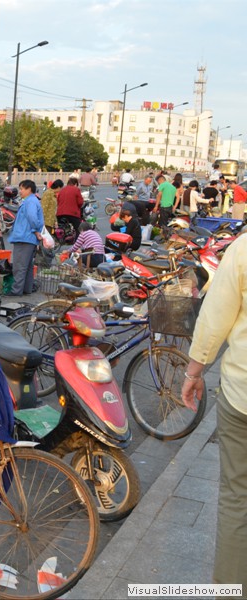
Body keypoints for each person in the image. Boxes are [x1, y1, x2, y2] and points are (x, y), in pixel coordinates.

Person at [181, 232, 247, 592]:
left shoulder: (244, 249)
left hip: (243, 396)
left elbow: (215, 316)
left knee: (239, 499)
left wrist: (194, 372)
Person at [7, 180, 44, 297]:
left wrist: (36, 230)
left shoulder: (30, 202)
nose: (20, 191)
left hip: (24, 237)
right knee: (27, 266)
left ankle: (16, 291)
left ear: (29, 189)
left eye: (22, 189)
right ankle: (26, 289)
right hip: (28, 238)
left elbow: (33, 218)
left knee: (19, 266)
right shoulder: (32, 200)